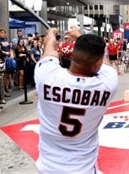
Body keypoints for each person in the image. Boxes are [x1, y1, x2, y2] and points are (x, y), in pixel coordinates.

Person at [35, 26, 117, 173]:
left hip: (48, 169)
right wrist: (80, 35)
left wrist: (51, 36)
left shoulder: (46, 76)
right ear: (97, 62)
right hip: (83, 169)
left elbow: (49, 49)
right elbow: (104, 61)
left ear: (73, 54)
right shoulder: (108, 84)